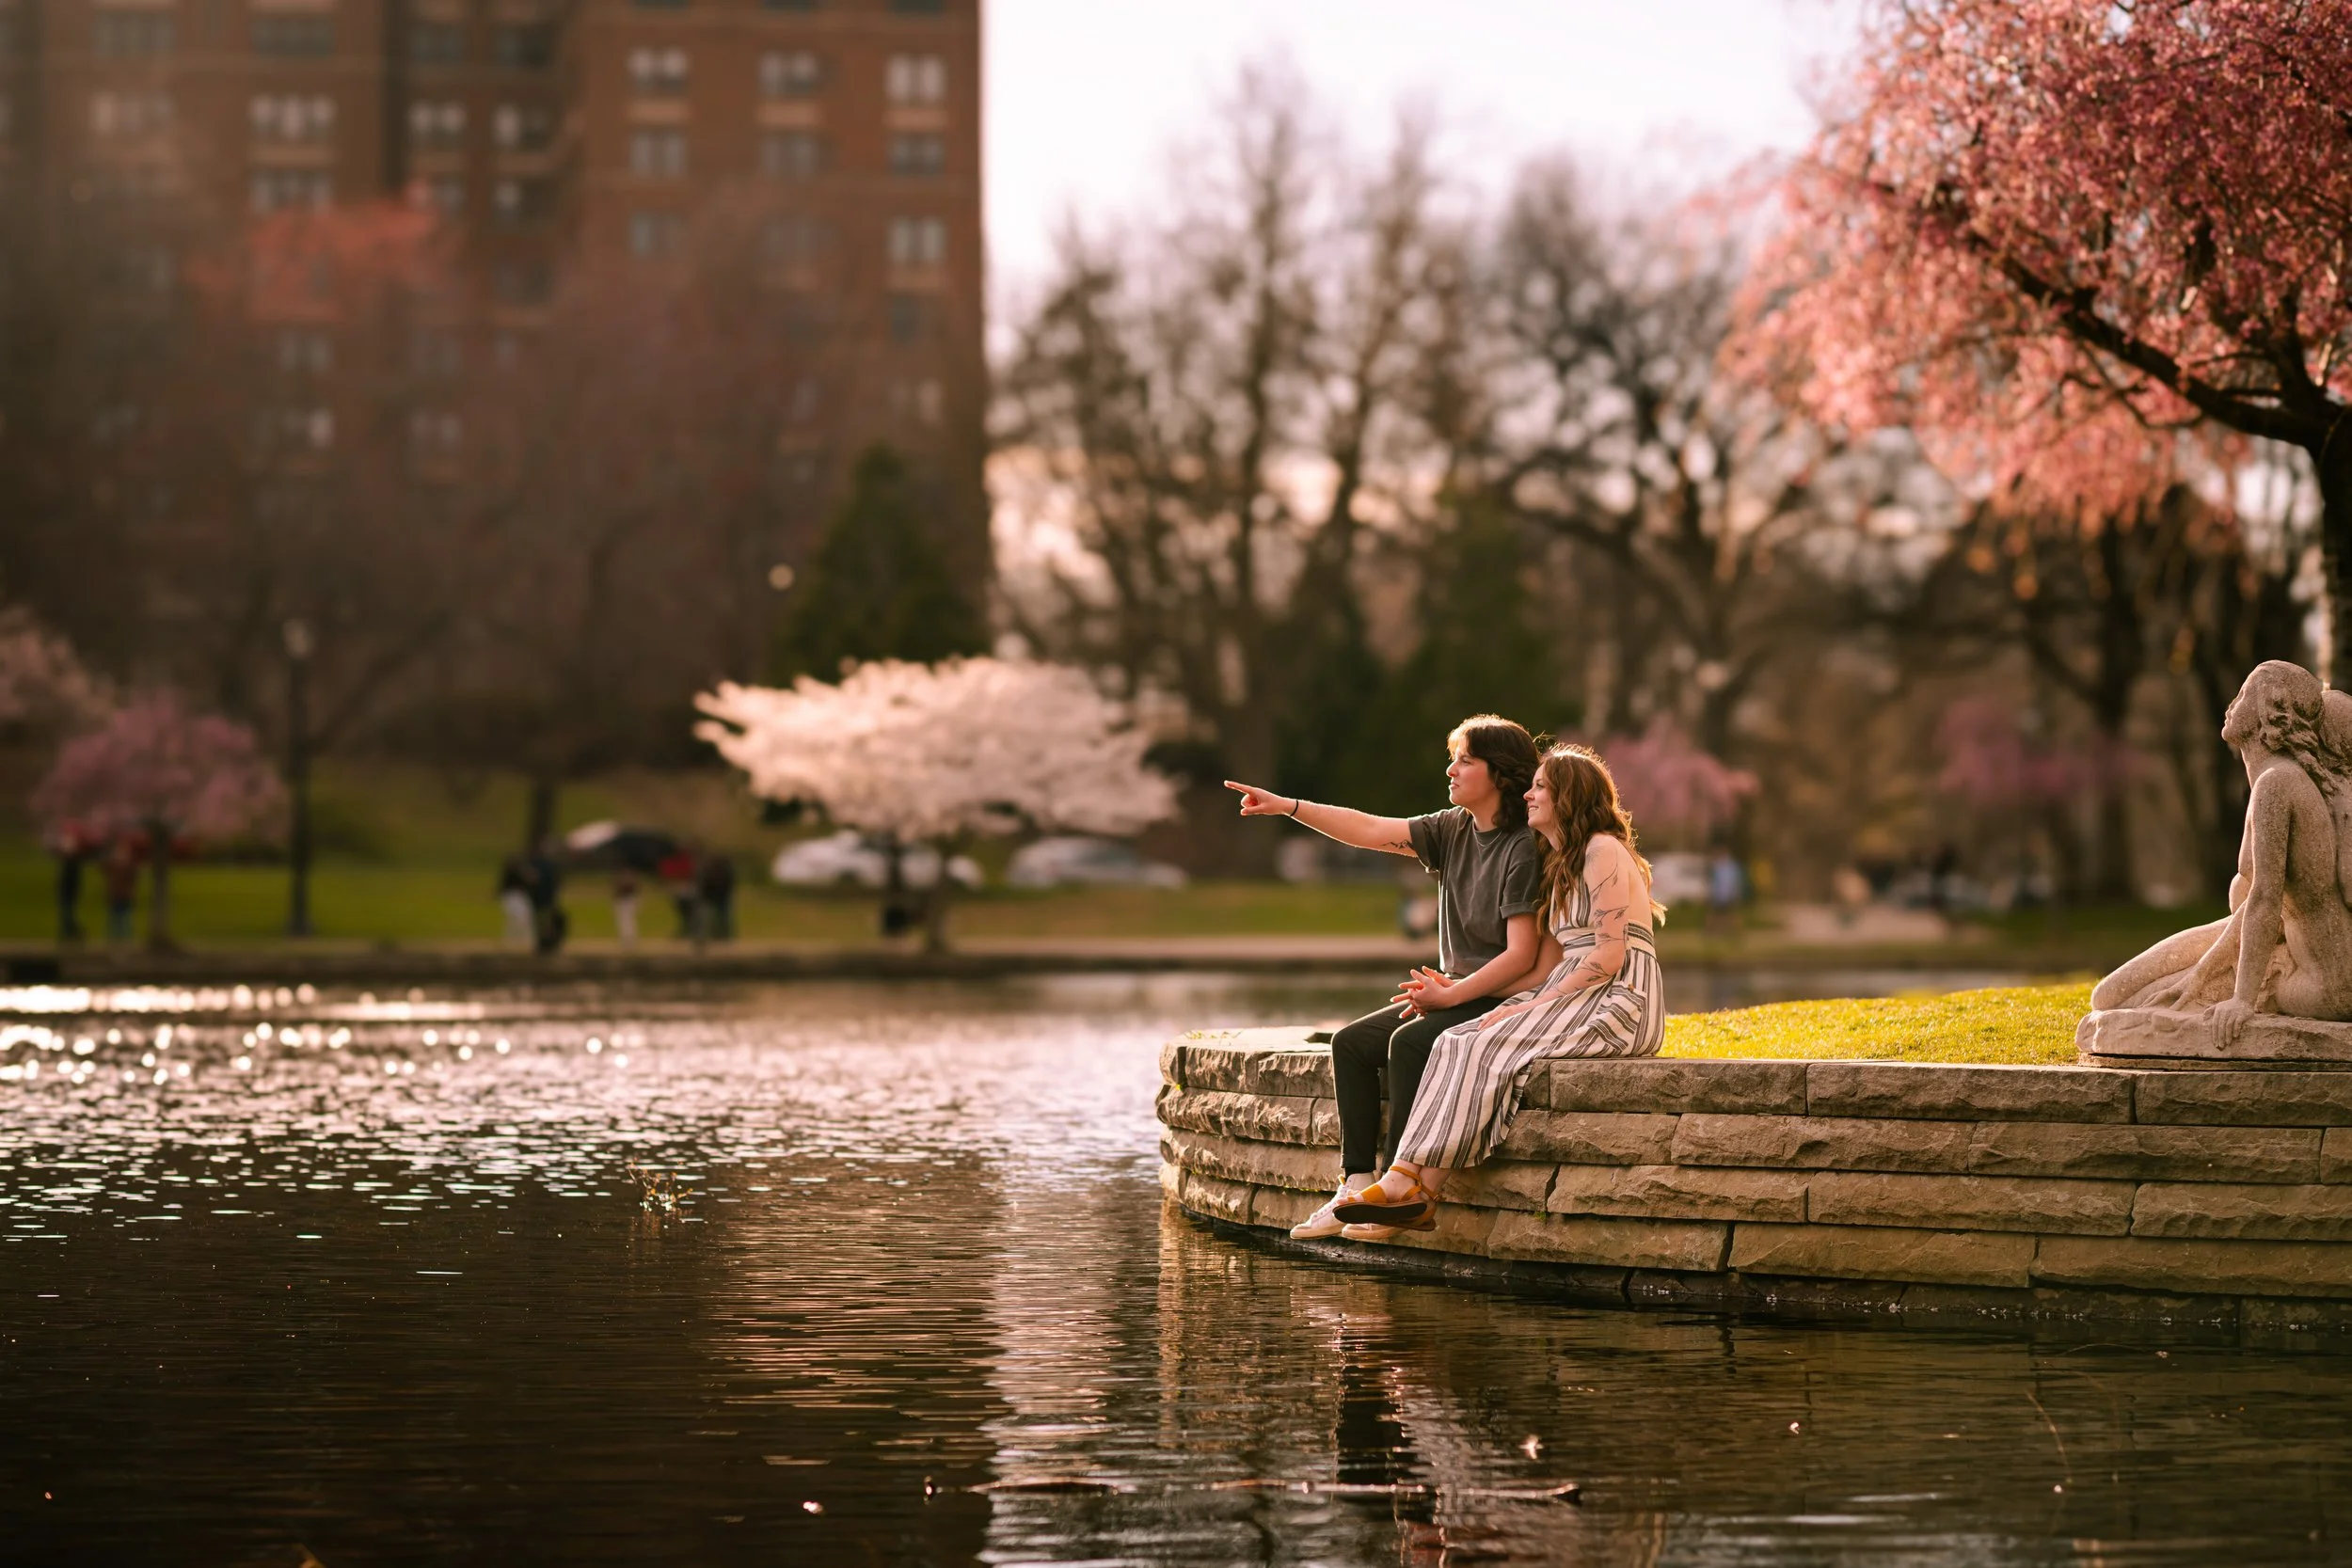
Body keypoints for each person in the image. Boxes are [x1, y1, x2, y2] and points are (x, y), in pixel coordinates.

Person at [1225, 715, 1547, 1242]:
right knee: (1351, 1044)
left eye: (1465, 760)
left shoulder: (1521, 847)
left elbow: (1520, 956)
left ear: (1500, 773)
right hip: (1454, 989)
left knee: (1411, 1041)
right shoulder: (1452, 829)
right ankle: (1356, 1186)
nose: (1451, 769)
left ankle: (1397, 1198)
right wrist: (1288, 806)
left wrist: (1448, 995)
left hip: (1499, 994)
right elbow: (1369, 829)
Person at [1334, 742, 1665, 1238]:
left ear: (1568, 797)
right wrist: (1496, 1003)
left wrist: (1531, 1006)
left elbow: (1609, 957)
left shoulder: (1602, 850)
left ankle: (1410, 1184)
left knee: (1484, 1043)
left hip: (1621, 999)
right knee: (1459, 1038)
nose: (1528, 795)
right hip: (1578, 990)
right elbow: (1547, 967)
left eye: (1540, 787)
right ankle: (1413, 1187)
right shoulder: (1562, 863)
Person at [498, 856, 535, 949]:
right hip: (513, 897)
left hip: (517, 897)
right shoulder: (515, 873)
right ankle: (515, 940)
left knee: (522, 919)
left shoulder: (515, 873)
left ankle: (520, 940)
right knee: (519, 919)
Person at [612, 870, 642, 950]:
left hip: (627, 901)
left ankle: (629, 941)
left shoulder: (627, 882)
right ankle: (628, 940)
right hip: (626, 901)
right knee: (626, 922)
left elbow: (622, 891)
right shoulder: (627, 881)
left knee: (627, 922)